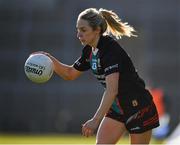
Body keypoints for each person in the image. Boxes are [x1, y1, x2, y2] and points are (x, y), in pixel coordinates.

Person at [35, 8, 159, 144]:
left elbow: (112, 91)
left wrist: (95, 120)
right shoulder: (90, 50)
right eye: (78, 30)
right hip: (118, 109)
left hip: (139, 108)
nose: (78, 34)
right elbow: (70, 74)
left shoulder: (110, 50)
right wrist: (48, 59)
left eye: (83, 30)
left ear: (97, 30)